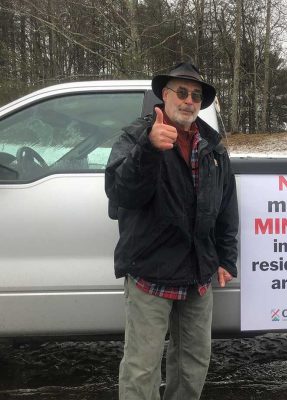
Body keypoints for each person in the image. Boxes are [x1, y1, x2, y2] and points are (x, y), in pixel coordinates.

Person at [105, 62, 239, 400]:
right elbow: (122, 193)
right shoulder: (137, 136)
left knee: (193, 365)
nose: (189, 100)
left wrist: (226, 258)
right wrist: (148, 150)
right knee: (141, 369)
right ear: (164, 96)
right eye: (181, 92)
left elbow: (225, 209)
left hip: (198, 273)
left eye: (195, 95)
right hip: (151, 271)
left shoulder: (214, 149)